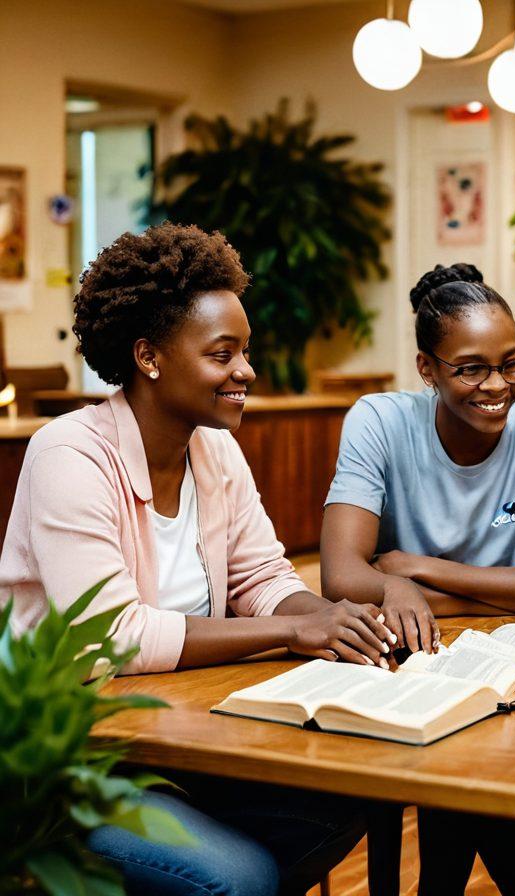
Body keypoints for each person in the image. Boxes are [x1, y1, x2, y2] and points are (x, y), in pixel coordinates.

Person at [0, 224, 401, 895]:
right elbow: (117, 637)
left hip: (184, 741)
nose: (246, 371)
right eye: (223, 354)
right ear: (150, 356)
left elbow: (262, 576)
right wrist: (294, 630)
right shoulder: (68, 456)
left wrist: (337, 618)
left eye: (245, 352)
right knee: (240, 878)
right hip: (72, 759)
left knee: (372, 788)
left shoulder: (213, 448)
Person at [320, 262, 515, 895]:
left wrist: (413, 572)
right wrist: (387, 588)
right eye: (470, 367)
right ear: (427, 369)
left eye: (511, 364)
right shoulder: (379, 422)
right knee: (462, 767)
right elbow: (339, 574)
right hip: (417, 667)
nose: (497, 385)